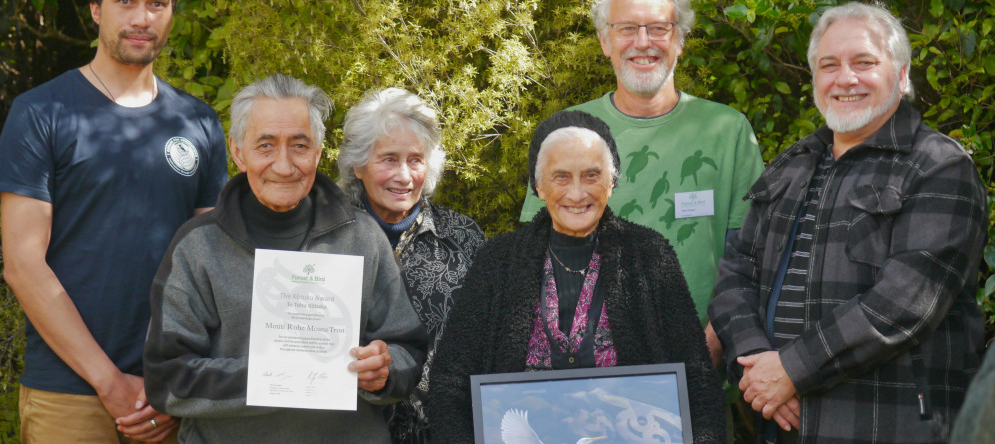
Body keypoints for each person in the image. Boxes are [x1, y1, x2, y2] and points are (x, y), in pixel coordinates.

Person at [708, 2, 987, 444]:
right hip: (777, 424)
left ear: (901, 74)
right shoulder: (790, 166)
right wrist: (756, 361)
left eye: (864, 63)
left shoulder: (939, 168)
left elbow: (904, 305)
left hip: (885, 428)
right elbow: (735, 274)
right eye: (829, 65)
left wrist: (791, 370)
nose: (845, 78)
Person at [0, 0, 228, 443]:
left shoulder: (199, 122)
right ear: (96, 10)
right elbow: (22, 263)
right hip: (70, 391)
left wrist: (181, 382)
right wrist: (108, 381)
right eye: (125, 1)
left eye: (157, 3)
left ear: (172, 15)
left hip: (170, 390)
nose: (141, 17)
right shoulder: (43, 113)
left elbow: (215, 264)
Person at [143, 74, 427, 443]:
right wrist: (276, 378)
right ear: (238, 152)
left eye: (299, 145)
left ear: (319, 153)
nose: (283, 165)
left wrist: (384, 371)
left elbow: (408, 349)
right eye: (265, 146)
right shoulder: (198, 247)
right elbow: (167, 380)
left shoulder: (362, 237)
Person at [430, 110, 725, 443]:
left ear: (611, 182)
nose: (576, 193)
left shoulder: (649, 255)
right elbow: (449, 381)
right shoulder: (497, 262)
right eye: (561, 177)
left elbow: (698, 379)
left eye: (591, 175)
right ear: (538, 186)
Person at [520, 0, 764, 348]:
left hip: (705, 359)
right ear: (605, 42)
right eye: (627, 28)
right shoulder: (566, 133)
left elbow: (750, 258)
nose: (643, 42)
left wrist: (712, 348)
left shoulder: (728, 132)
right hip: (589, 369)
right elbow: (533, 258)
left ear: (680, 40)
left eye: (658, 28)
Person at [337, 87, 486, 443]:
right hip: (351, 430)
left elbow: (487, 342)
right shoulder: (327, 238)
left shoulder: (463, 237)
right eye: (388, 159)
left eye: (415, 160)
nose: (403, 176)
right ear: (358, 164)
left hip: (444, 432)